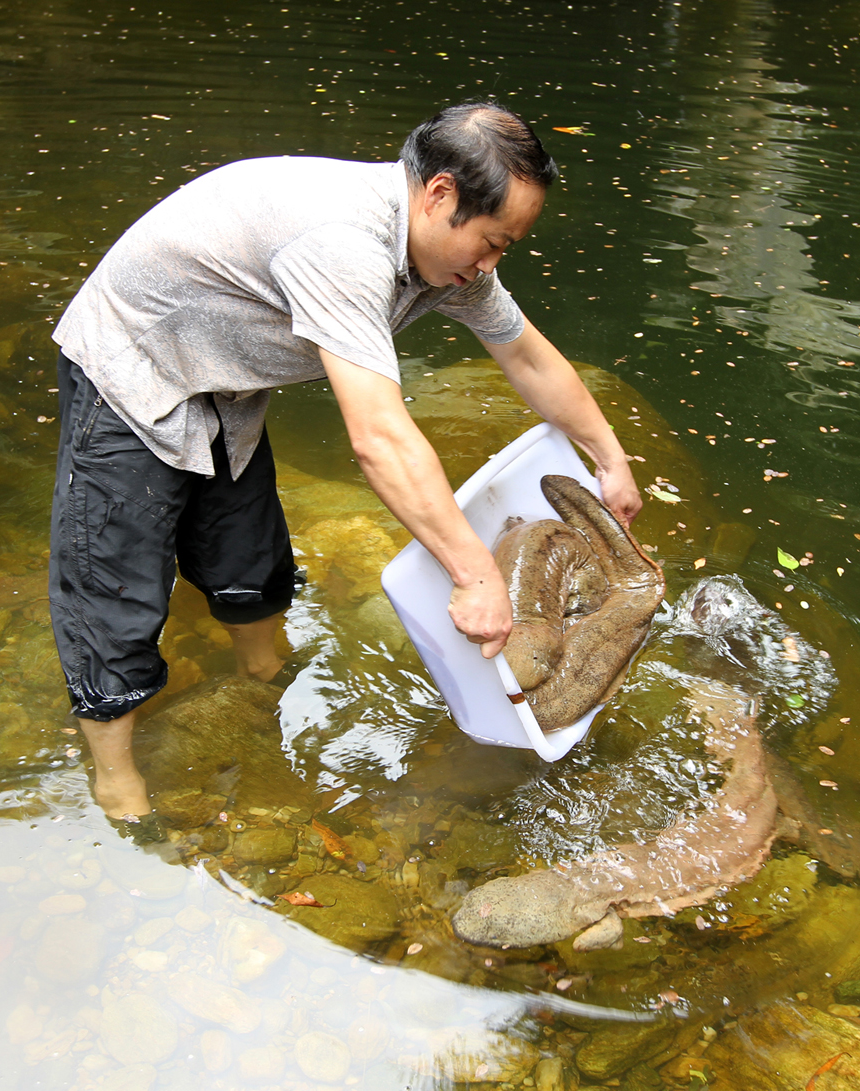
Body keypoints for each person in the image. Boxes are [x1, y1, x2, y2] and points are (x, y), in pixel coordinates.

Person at [48, 101, 642, 827]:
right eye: (490, 242)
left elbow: (524, 354)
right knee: (116, 584)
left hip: (227, 386)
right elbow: (379, 438)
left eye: (505, 250)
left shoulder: (447, 262)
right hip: (135, 368)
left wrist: (608, 457)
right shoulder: (342, 247)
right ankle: (115, 779)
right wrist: (475, 574)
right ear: (440, 194)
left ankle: (263, 677)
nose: (489, 265)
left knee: (249, 555)